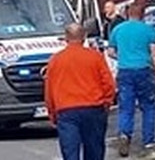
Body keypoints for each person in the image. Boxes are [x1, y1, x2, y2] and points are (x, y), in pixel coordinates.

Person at [44, 23, 116, 160]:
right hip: (93, 108)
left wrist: (52, 113)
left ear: (65, 38)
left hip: (66, 110)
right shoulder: (95, 57)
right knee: (94, 150)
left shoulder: (55, 60)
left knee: (70, 151)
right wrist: (107, 103)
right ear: (84, 37)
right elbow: (108, 83)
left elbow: (49, 90)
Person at [108, 2, 155, 156]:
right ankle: (148, 140)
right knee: (148, 105)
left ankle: (124, 134)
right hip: (143, 71)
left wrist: (124, 56)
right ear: (143, 14)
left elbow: (110, 52)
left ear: (128, 14)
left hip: (125, 71)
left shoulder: (118, 29)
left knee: (126, 107)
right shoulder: (148, 31)